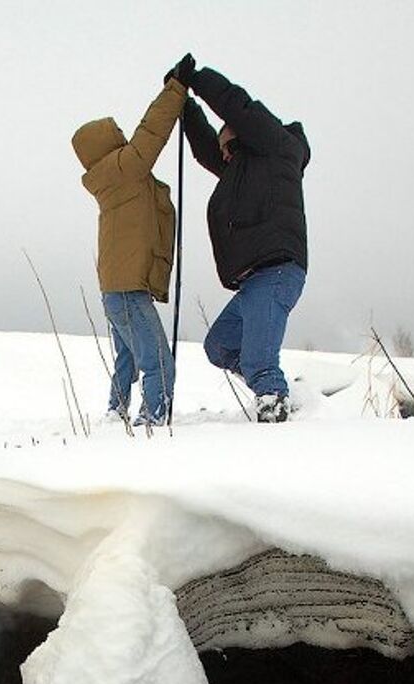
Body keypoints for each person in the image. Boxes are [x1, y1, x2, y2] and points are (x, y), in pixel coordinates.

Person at [176, 55, 310, 422]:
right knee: (219, 346)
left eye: (225, 142)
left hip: (277, 270)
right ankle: (278, 389)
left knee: (258, 363)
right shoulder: (245, 169)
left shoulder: (276, 148)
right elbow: (206, 150)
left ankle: (277, 407)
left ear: (239, 133)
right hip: (254, 280)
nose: (220, 153)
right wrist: (184, 106)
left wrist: (198, 80)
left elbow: (239, 105)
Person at [71, 60, 193, 426]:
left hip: (116, 290)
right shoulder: (123, 169)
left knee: (128, 358)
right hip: (125, 290)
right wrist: (175, 88)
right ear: (106, 143)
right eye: (117, 132)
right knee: (157, 360)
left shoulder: (111, 177)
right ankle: (153, 420)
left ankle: (115, 412)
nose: (125, 134)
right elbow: (151, 131)